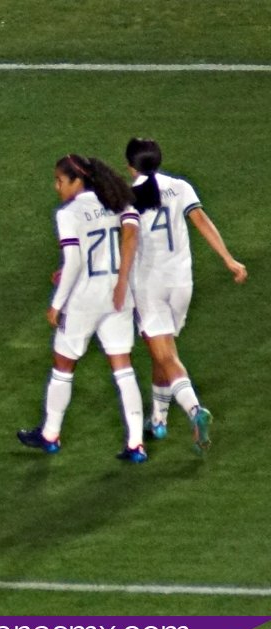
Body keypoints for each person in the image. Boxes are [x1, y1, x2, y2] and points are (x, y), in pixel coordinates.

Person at [17, 154, 148, 462]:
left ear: (77, 182)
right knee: (123, 368)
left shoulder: (69, 213)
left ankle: (50, 434)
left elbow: (75, 261)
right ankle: (136, 443)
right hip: (118, 294)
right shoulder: (117, 201)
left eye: (60, 181)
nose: (57, 187)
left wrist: (56, 304)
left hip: (84, 299)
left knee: (63, 366)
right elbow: (127, 239)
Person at [126, 138, 247, 454]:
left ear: (130, 166)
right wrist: (229, 259)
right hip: (181, 284)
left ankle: (195, 410)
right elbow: (202, 222)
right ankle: (159, 419)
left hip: (149, 285)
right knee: (161, 352)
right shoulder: (180, 187)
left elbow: (123, 243)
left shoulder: (128, 198)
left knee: (166, 355)